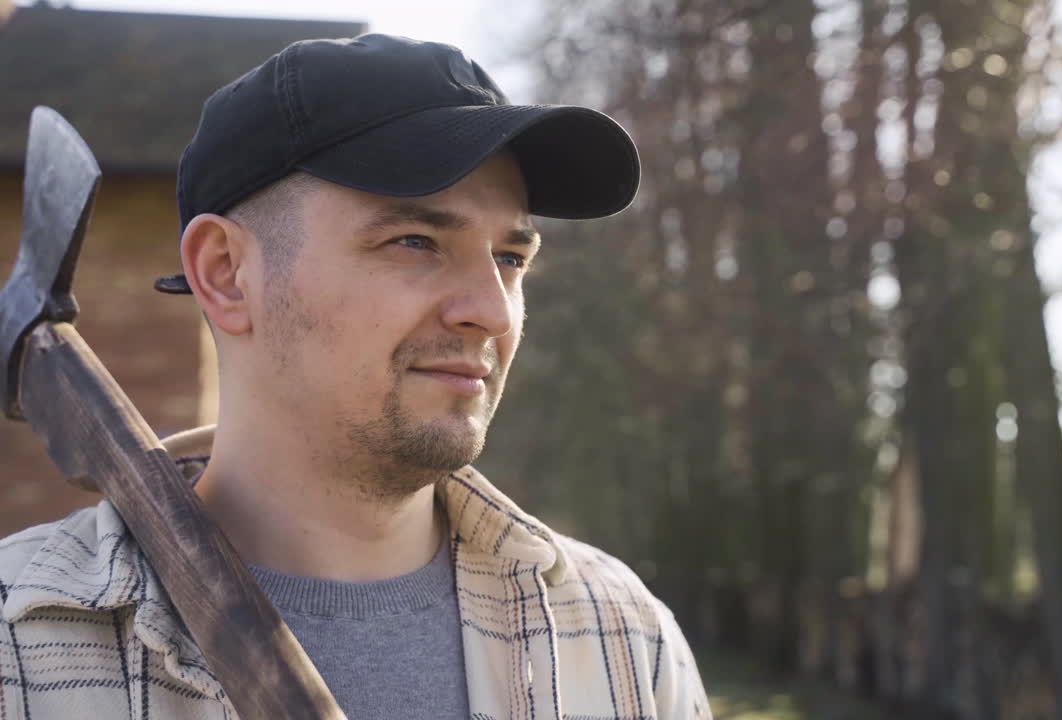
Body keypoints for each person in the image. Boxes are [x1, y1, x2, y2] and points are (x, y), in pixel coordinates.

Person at [0, 33, 710, 719]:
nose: (492, 312)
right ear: (226, 273)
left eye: (510, 259)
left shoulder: (622, 639)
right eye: (414, 242)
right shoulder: (17, 650)